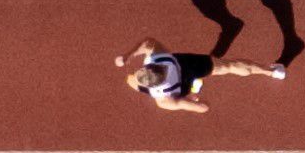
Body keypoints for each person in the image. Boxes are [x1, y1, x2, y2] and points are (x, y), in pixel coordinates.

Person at [118, 36, 282, 114]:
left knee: (128, 80)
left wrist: (190, 100)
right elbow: (147, 42)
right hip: (186, 64)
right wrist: (128, 55)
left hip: (181, 87)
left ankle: (195, 85)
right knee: (229, 65)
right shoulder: (159, 57)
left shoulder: (162, 99)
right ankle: (273, 71)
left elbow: (203, 108)